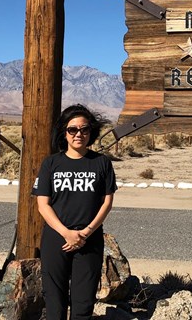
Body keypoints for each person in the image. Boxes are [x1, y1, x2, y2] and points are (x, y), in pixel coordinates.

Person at [32, 104, 117, 320]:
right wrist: (66, 233)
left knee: (84, 300)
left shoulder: (101, 163)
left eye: (84, 129)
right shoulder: (51, 163)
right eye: (73, 129)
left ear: (91, 132)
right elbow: (43, 204)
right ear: (64, 132)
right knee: (54, 299)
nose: (79, 134)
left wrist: (84, 233)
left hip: (89, 239)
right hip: (56, 238)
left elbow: (106, 203)